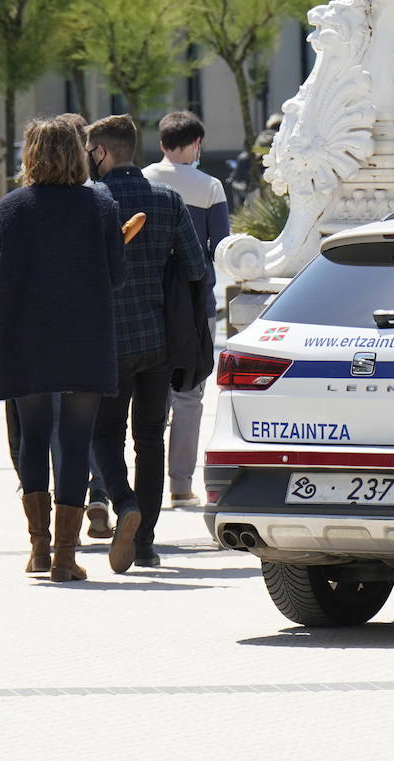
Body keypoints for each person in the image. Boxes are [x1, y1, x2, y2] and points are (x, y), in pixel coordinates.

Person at [0, 117, 125, 581]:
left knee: (33, 437)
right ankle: (67, 556)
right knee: (76, 439)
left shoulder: (8, 208)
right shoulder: (99, 207)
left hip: (26, 335)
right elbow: (116, 275)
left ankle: (39, 549)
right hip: (83, 334)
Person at [86, 114, 207, 572]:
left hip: (106, 341)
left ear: (101, 152)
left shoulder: (92, 201)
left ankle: (124, 503)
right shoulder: (168, 200)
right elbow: (195, 267)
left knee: (104, 432)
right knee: (150, 438)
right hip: (157, 338)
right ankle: (146, 542)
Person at [142, 111, 227, 508]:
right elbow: (221, 248)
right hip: (195, 303)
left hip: (149, 300)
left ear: (161, 144)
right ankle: (180, 483)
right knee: (189, 396)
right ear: (196, 144)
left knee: (149, 396)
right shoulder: (210, 187)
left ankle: (147, 482)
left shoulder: (142, 180)